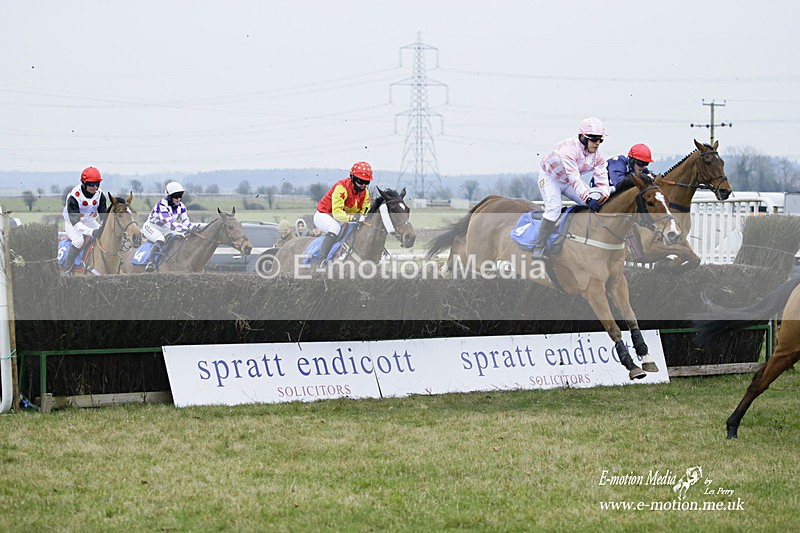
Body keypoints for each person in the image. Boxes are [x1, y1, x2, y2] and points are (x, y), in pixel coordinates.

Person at [531, 117, 610, 260]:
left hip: (567, 181)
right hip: (550, 178)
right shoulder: (569, 150)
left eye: (600, 139)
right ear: (582, 137)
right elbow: (575, 179)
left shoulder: (598, 157)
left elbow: (602, 179)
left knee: (596, 202)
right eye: (593, 139)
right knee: (554, 208)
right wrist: (588, 197)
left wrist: (603, 195)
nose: (597, 143)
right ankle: (539, 247)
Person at [312, 161, 372, 264]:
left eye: (366, 182)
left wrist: (362, 216)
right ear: (352, 178)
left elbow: (364, 210)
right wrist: (354, 218)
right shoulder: (341, 188)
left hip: (342, 219)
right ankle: (321, 261)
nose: (363, 185)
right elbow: (337, 214)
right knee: (335, 228)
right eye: (360, 181)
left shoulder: (365, 193)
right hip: (324, 215)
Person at [62, 166, 109, 275]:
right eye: (91, 184)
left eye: (97, 184)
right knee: (79, 241)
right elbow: (76, 224)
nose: (94, 187)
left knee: (104, 236)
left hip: (89, 220)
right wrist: (92, 232)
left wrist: (103, 227)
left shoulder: (100, 195)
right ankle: (67, 270)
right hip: (72, 222)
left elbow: (103, 215)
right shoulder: (74, 197)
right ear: (84, 183)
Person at [141, 181, 197, 271]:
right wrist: (187, 229)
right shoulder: (162, 204)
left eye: (180, 196)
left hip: (165, 228)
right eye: (176, 196)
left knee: (180, 236)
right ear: (169, 196)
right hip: (152, 227)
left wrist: (194, 228)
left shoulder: (181, 207)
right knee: (160, 239)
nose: (178, 199)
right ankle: (150, 263)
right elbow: (170, 224)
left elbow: (186, 222)